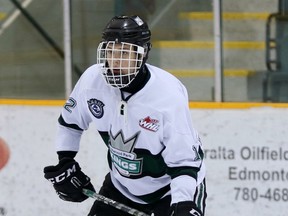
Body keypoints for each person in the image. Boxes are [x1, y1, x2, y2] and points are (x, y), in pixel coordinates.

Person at [43, 15, 207, 216]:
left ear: (143, 53)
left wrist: (182, 203)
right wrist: (65, 161)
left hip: (171, 190)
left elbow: (185, 164)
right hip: (120, 187)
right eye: (110, 51)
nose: (115, 60)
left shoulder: (168, 95)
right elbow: (70, 123)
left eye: (124, 53)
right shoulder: (92, 81)